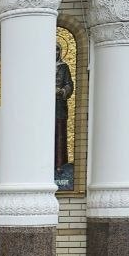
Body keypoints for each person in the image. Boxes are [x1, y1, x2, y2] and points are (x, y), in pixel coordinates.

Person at [55, 43, 74, 174]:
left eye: (57, 50)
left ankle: (59, 164)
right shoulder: (42, 65)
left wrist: (62, 91)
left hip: (59, 105)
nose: (55, 53)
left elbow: (69, 84)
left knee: (59, 133)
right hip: (44, 105)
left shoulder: (64, 67)